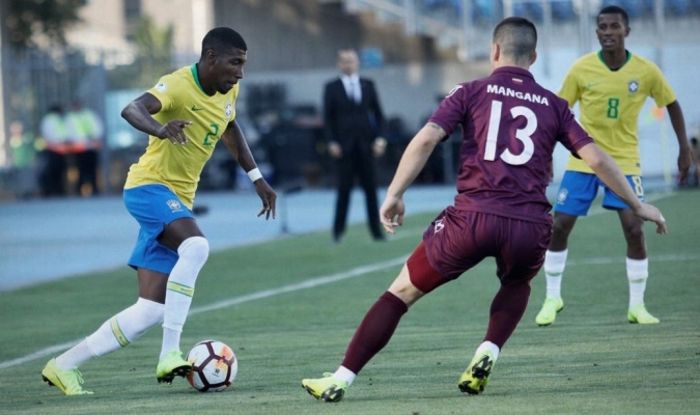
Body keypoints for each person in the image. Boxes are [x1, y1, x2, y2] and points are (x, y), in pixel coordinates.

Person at [301, 17, 667, 402]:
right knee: (517, 283)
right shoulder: (555, 106)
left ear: (494, 51)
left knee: (400, 293)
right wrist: (637, 204)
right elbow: (597, 159)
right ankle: (488, 350)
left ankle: (341, 378)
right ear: (534, 56)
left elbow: (426, 139)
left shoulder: (471, 91)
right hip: (528, 226)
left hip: (472, 219)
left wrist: (394, 193)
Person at [40, 27, 277, 396]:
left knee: (148, 310)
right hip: (148, 188)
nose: (240, 73)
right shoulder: (178, 85)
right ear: (210, 57)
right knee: (196, 247)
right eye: (235, 63)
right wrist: (160, 129)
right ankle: (170, 353)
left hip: (176, 199)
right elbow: (131, 108)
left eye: (243, 65)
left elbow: (230, 126)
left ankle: (62, 367)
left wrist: (256, 177)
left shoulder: (228, 88)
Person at [534, 5, 691, 327]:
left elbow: (672, 104)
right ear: (597, 33)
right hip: (584, 159)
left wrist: (684, 147)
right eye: (602, 27)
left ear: (627, 31)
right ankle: (552, 297)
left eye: (614, 26)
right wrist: (547, 153)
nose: (607, 32)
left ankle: (637, 306)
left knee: (634, 228)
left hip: (624, 161)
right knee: (559, 225)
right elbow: (559, 112)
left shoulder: (646, 71)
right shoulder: (581, 69)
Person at [323, 49, 387, 242]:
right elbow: (328, 118)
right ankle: (338, 232)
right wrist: (332, 141)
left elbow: (379, 114)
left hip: (366, 146)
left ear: (357, 62)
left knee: (371, 190)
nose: (348, 64)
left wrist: (380, 139)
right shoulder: (331, 87)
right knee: (343, 190)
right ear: (339, 64)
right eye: (344, 61)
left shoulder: (368, 85)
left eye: (351, 61)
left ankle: (377, 231)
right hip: (344, 148)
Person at [65, 99, 104, 196]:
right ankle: (79, 189)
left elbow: (98, 128)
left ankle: (94, 188)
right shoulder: (70, 117)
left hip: (91, 147)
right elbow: (68, 133)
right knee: (80, 170)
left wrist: (94, 137)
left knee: (92, 169)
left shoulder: (89, 115)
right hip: (78, 148)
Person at [38, 104, 69, 197]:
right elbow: (55, 135)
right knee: (54, 172)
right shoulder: (53, 120)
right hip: (54, 149)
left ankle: (55, 190)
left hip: (57, 149)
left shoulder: (49, 120)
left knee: (55, 171)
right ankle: (54, 191)